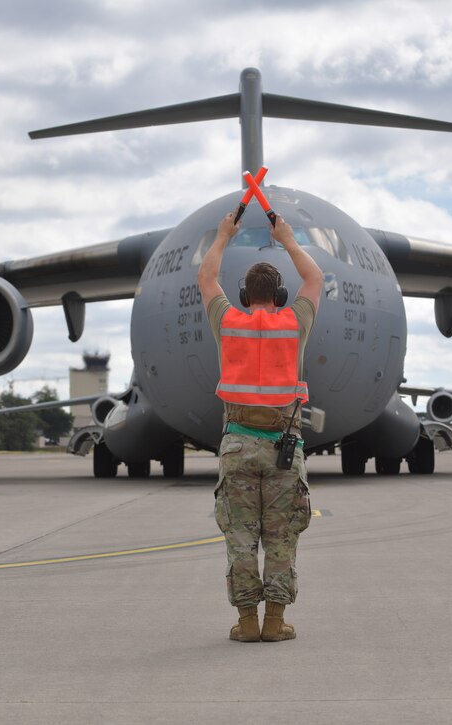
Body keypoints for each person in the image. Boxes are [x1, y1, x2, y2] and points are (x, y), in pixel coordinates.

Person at [199, 211, 323, 642]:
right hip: (283, 445)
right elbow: (316, 279)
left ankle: (246, 623)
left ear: (243, 295)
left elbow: (206, 276)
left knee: (240, 535)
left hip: (237, 443)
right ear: (281, 294)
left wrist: (223, 236)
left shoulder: (227, 322)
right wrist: (287, 239)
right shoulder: (294, 324)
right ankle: (275, 623)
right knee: (281, 535)